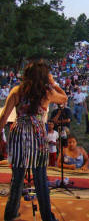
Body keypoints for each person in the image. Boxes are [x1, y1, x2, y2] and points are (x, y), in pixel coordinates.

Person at [0, 60, 67, 221]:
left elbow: (3, 118)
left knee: (17, 178)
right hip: (37, 133)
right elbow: (64, 98)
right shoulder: (47, 92)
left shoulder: (17, 91)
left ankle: (10, 215)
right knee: (40, 178)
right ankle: (47, 218)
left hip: (18, 133)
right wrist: (53, 83)